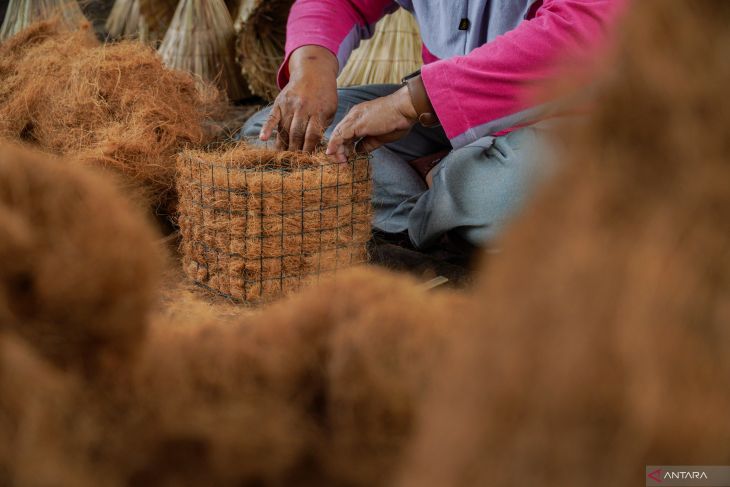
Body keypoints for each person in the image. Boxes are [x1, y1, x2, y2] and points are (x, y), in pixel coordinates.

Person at [240, 0, 624, 249]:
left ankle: (433, 197)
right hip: (439, 113)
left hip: (566, 122)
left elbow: (583, 35)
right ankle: (435, 210)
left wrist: (410, 104)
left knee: (492, 195)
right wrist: (311, 68)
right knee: (274, 134)